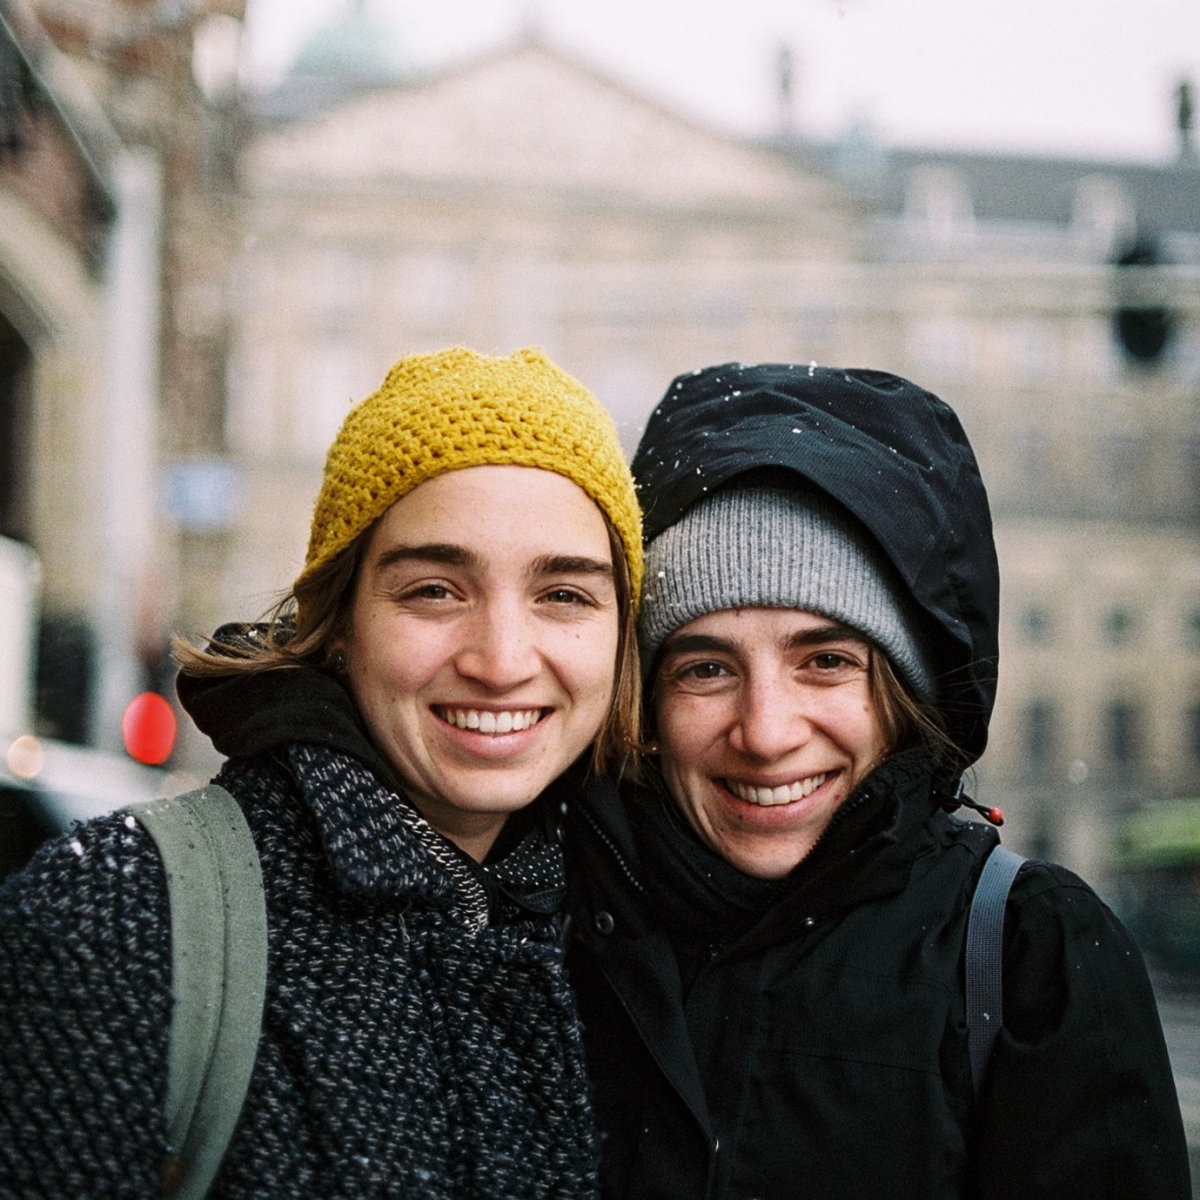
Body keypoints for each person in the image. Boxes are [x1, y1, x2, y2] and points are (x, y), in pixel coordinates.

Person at [0, 346, 643, 1199]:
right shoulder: (120, 917)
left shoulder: (629, 941)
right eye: (434, 590)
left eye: (564, 595)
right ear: (337, 622)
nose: (501, 660)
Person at [565, 362, 1191, 1199]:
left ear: (905, 694)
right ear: (642, 703)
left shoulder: (1027, 954)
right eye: (706, 669)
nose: (766, 732)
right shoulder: (552, 927)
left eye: (825, 661)